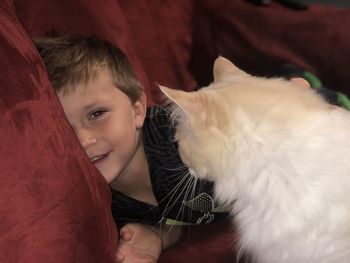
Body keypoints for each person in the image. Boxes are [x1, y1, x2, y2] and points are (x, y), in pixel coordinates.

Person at [33, 35, 228, 263]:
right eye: (64, 128)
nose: (82, 140)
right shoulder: (106, 203)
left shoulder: (178, 134)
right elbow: (180, 217)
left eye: (96, 114)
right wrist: (158, 235)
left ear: (136, 110)